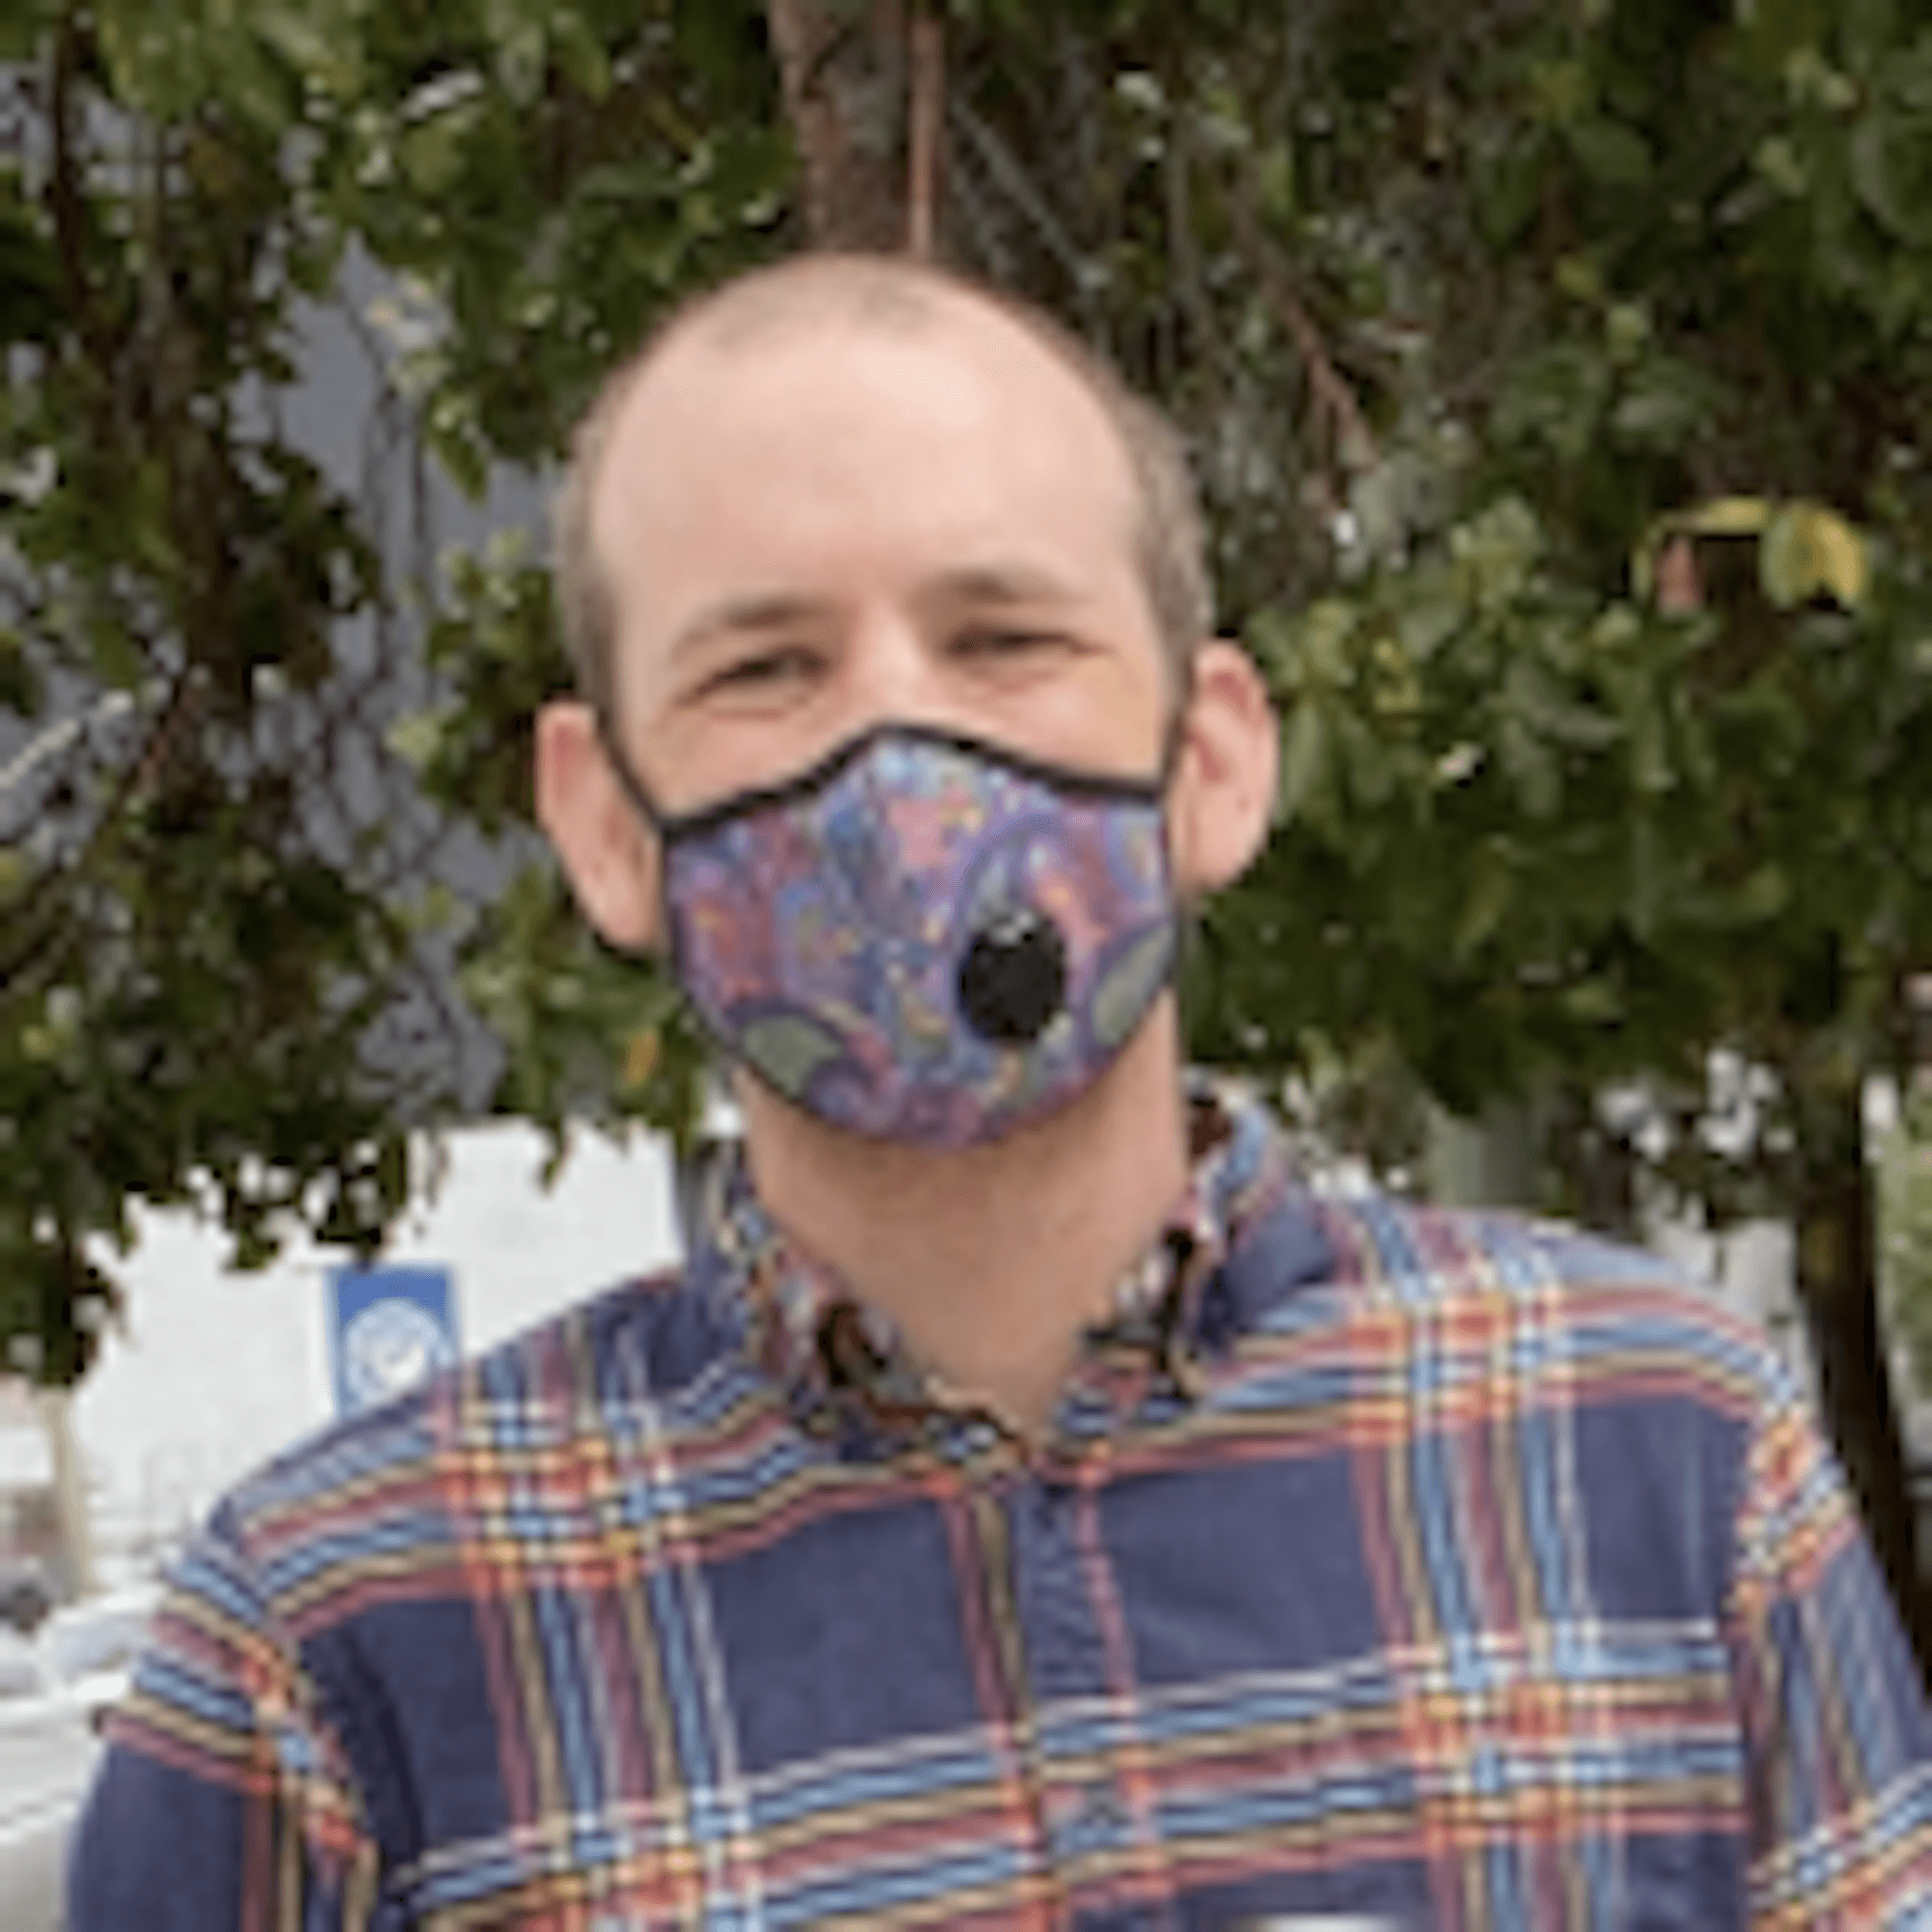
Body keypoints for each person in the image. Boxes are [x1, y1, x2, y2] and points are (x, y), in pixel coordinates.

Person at [70, 253, 1931, 1929]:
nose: (902, 747)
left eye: (1005, 639)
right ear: (606, 822)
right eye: (767, 664)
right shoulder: (331, 1649)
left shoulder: (1670, 1453)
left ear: (1210, 759)